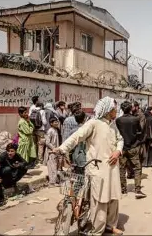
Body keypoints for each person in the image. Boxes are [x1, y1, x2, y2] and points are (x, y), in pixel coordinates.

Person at [53, 96, 123, 235]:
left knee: (113, 198)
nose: (116, 111)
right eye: (115, 109)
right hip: (97, 168)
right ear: (108, 110)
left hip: (113, 168)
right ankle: (97, 230)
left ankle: (110, 225)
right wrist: (61, 149)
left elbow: (120, 139)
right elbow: (76, 136)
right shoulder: (93, 123)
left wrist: (118, 151)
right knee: (100, 200)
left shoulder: (112, 124)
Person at [116, 101, 146, 198]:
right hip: (133, 146)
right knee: (137, 168)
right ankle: (137, 189)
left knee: (122, 168)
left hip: (122, 147)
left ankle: (123, 189)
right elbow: (140, 130)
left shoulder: (118, 120)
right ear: (130, 109)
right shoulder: (135, 119)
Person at [44, 117, 61, 187]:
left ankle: (53, 181)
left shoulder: (56, 130)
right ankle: (52, 182)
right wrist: (53, 149)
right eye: (55, 122)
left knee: (55, 166)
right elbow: (47, 142)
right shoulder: (50, 131)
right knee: (52, 167)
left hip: (55, 151)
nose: (57, 123)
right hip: (51, 152)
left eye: (57, 122)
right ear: (51, 123)